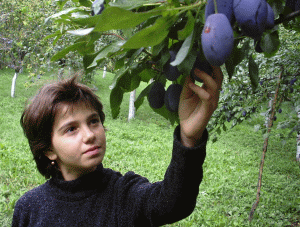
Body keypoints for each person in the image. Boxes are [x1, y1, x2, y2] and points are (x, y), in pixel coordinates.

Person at [12, 67, 223, 227]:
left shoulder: (122, 194)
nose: (90, 135)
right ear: (48, 149)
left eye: (93, 121)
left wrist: (188, 138)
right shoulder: (29, 208)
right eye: (71, 129)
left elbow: (172, 204)